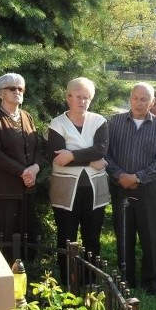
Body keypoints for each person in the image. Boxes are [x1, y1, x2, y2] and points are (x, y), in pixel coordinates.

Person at [106, 82, 156, 295]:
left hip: (149, 189)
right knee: (124, 235)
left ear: (152, 102)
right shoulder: (114, 123)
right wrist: (120, 176)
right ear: (130, 99)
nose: (139, 103)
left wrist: (137, 178)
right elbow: (106, 155)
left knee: (151, 236)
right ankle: (126, 280)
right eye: (136, 98)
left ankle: (152, 283)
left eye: (144, 99)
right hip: (120, 188)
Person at [47, 77, 109, 286]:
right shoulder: (57, 124)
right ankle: (67, 281)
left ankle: (92, 280)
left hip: (94, 190)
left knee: (92, 237)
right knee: (66, 236)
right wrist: (91, 160)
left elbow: (101, 149)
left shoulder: (99, 121)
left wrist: (71, 154)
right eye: (78, 96)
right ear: (68, 98)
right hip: (66, 191)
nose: (82, 101)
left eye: (87, 97)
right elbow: (59, 159)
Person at [0, 73, 41, 261]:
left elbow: (37, 147)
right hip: (3, 191)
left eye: (21, 88)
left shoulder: (27, 116)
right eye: (12, 88)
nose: (17, 92)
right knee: (4, 239)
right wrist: (23, 171)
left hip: (26, 189)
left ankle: (23, 276)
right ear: (0, 93)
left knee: (24, 238)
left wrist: (35, 168)